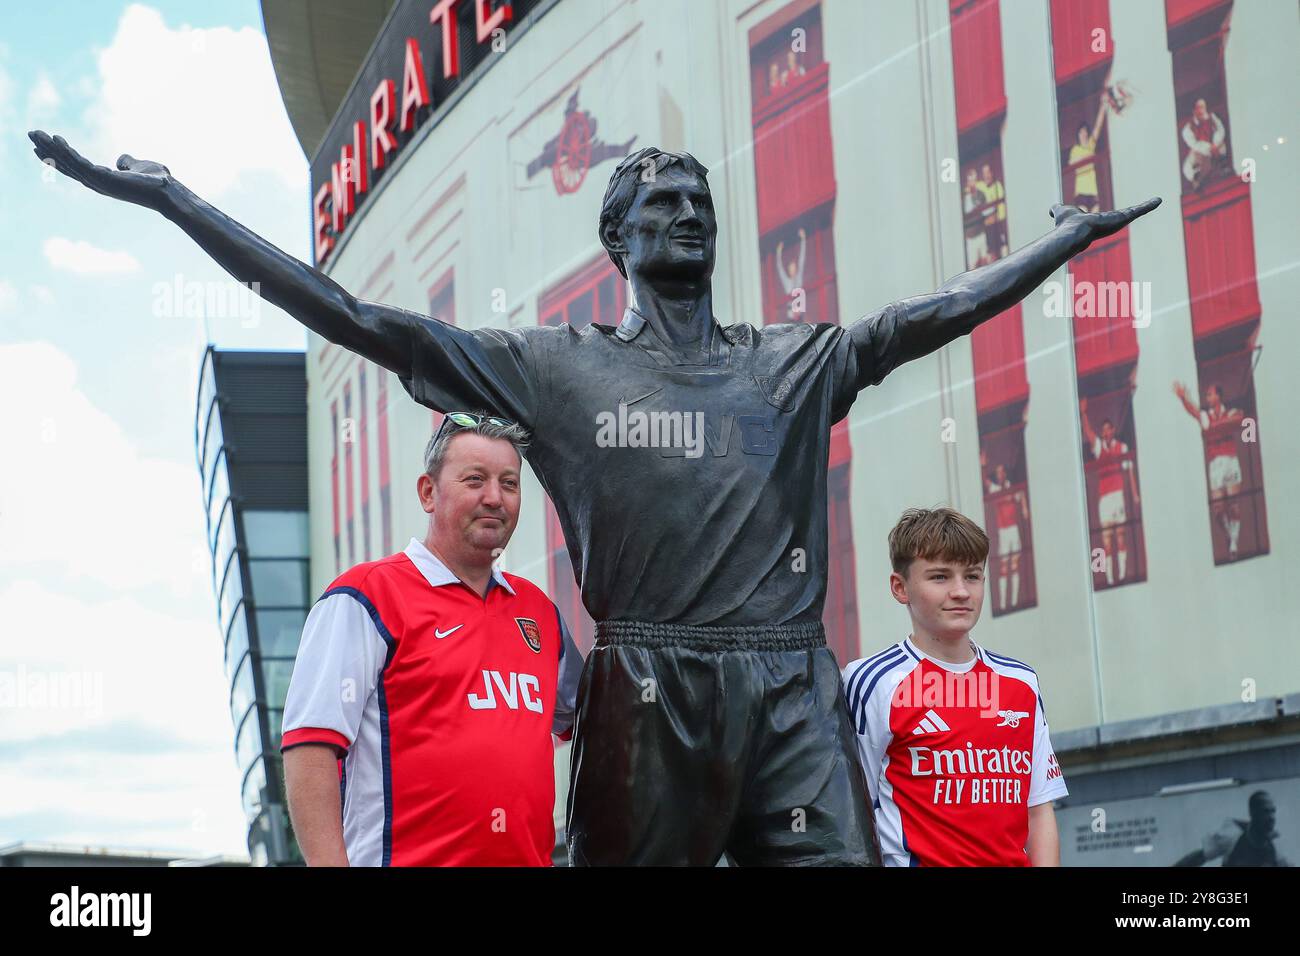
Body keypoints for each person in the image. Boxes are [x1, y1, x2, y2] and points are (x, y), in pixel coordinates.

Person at [28, 129, 1156, 866]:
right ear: (615, 238)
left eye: (698, 197)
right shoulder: (554, 369)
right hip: (650, 684)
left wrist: (1058, 241)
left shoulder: (793, 360)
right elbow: (359, 322)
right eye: (657, 200)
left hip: (786, 678)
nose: (684, 211)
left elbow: (934, 313)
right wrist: (177, 202)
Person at [280, 413, 583, 866]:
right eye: (475, 480)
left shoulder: (539, 613)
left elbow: (594, 727)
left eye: (510, 483)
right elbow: (310, 746)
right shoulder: (365, 596)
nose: (495, 498)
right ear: (428, 492)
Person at [842, 508, 1067, 866]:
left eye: (973, 576)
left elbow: (1039, 811)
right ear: (900, 588)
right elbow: (852, 816)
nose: (961, 591)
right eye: (940, 577)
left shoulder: (1021, 682)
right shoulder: (870, 681)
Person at [1174, 380, 1245, 560]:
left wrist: (1220, 425)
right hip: (1215, 464)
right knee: (1218, 509)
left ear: (1219, 396)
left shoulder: (1230, 412)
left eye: (1211, 394)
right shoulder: (1206, 416)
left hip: (1230, 460)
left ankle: (1234, 545)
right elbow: (1193, 411)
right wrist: (1183, 398)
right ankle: (1230, 535)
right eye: (1207, 395)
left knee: (1234, 505)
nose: (1208, 397)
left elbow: (1241, 418)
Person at [1079, 397, 1139, 585]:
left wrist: (1135, 494)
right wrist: (1083, 413)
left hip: (1118, 496)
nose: (1105, 433)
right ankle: (1108, 577)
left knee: (1120, 536)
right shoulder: (1099, 448)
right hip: (1104, 499)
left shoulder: (1122, 447)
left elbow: (1129, 471)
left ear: (1112, 430)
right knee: (1105, 541)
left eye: (1108, 429)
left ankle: (1121, 575)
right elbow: (1088, 433)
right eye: (1103, 430)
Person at [1174, 791, 1290, 867]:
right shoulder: (1233, 835)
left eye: (1273, 811)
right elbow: (1198, 857)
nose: (1271, 818)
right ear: (1252, 813)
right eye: (1265, 811)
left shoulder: (1275, 846)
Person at [984, 459, 1027, 611]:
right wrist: (983, 464)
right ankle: (1003, 604)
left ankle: (1014, 603)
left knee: (1014, 566)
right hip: (1003, 532)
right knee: (1003, 568)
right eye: (998, 473)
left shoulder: (1012, 487)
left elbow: (1021, 495)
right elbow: (985, 482)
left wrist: (1024, 508)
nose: (1000, 474)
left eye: (1002, 472)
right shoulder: (995, 489)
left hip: (1014, 530)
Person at [1068, 94, 1109, 212]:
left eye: (1085, 132)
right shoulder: (1075, 149)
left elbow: (1098, 126)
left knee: (1096, 216)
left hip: (1093, 190)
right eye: (1081, 133)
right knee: (1084, 217)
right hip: (1081, 192)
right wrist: (1083, 158)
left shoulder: (1091, 145)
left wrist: (1103, 106)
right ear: (1078, 135)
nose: (1084, 135)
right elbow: (1071, 163)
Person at [1181, 97, 1228, 190]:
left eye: (1203, 107)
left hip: (1216, 148)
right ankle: (1197, 180)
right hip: (1202, 154)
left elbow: (1220, 130)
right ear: (1194, 110)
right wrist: (1208, 148)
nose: (1201, 110)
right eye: (1199, 107)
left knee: (1221, 147)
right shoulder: (1188, 128)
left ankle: (1223, 167)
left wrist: (1215, 144)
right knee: (1189, 165)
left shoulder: (1212, 118)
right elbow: (1193, 144)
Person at [775, 226, 807, 321]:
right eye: (791, 269)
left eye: (794, 268)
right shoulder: (787, 282)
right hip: (791, 317)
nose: (793, 270)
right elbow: (779, 268)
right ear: (789, 270)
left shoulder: (799, 278)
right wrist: (778, 252)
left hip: (800, 315)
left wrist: (803, 239)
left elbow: (802, 258)